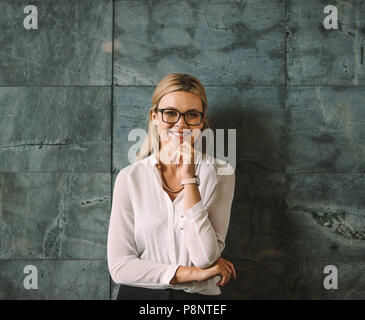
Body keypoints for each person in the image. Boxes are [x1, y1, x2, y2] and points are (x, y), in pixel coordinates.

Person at [107, 73, 236, 300]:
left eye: (192, 115)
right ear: (155, 116)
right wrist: (189, 273)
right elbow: (119, 267)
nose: (181, 124)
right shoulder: (130, 178)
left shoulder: (220, 173)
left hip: (197, 301)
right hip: (140, 297)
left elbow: (205, 257)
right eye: (170, 113)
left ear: (201, 120)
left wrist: (189, 180)